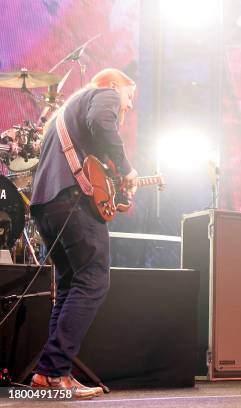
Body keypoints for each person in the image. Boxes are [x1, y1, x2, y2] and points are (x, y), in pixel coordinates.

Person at [28, 68, 138, 399]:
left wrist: (117, 185)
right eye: (130, 96)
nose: (128, 105)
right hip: (73, 203)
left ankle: (54, 373)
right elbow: (103, 123)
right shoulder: (105, 94)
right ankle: (52, 370)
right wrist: (127, 165)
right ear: (115, 85)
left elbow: (87, 148)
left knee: (68, 288)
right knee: (93, 281)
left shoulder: (64, 114)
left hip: (46, 205)